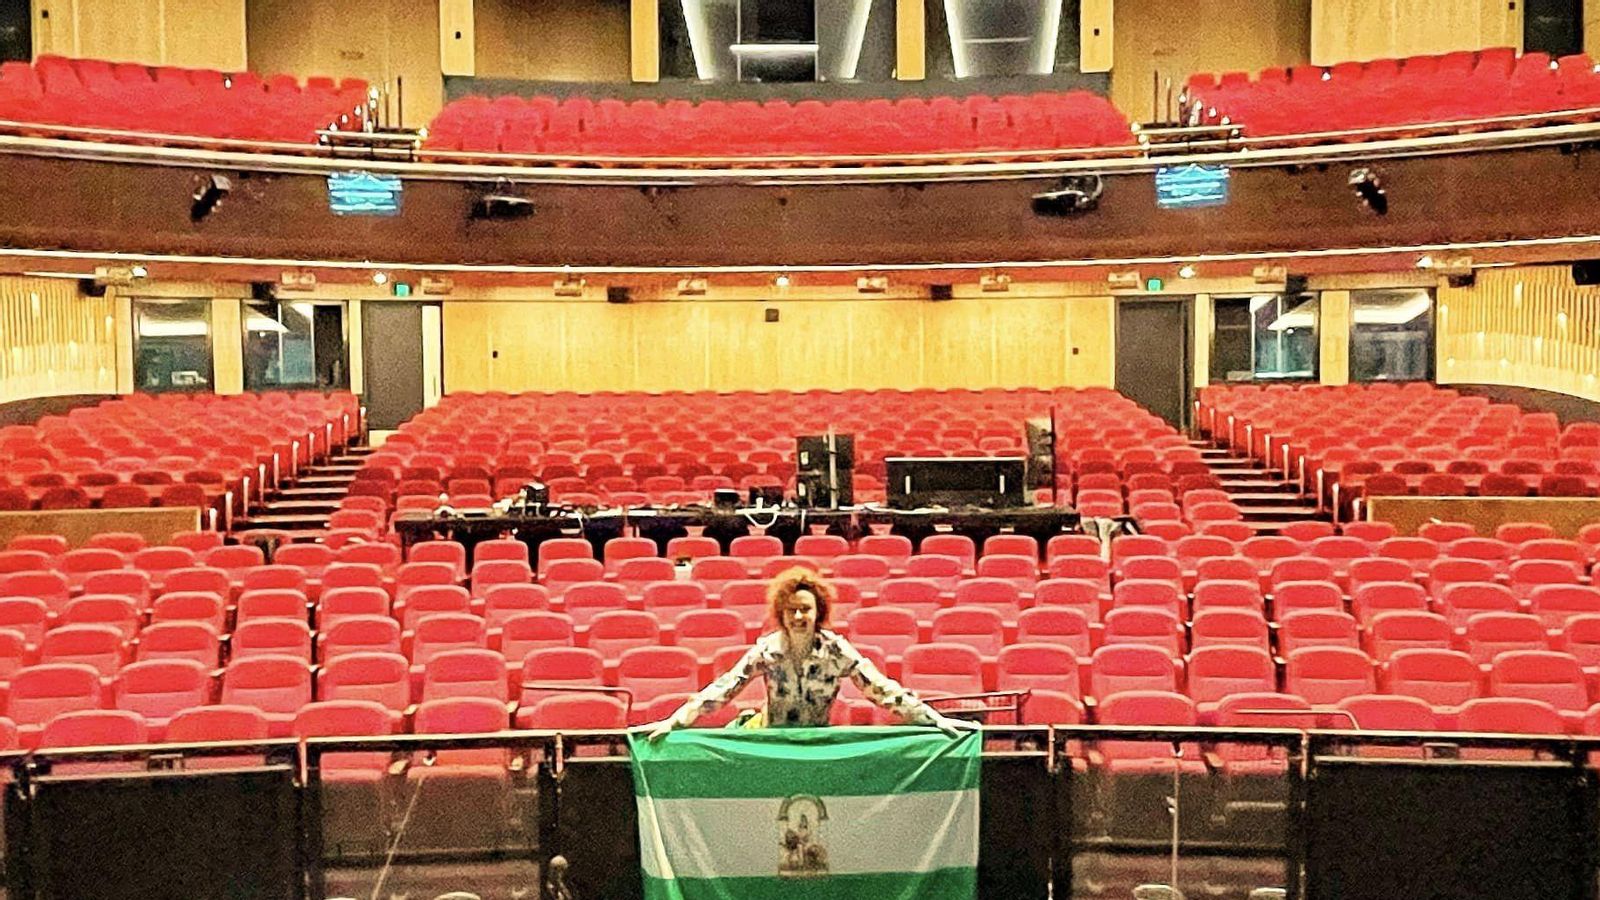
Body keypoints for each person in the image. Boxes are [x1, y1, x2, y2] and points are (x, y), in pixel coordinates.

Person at [646, 567, 977, 739]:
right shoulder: (766, 651)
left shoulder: (836, 651)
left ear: (818, 612)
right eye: (791, 610)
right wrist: (675, 723)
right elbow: (723, 689)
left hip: (814, 742)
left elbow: (883, 691)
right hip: (770, 741)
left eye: (805, 609)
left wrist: (934, 720)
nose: (799, 616)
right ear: (782, 614)